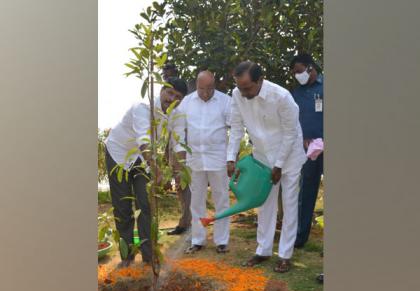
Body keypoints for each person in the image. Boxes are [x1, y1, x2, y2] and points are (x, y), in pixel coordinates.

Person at [227, 61, 307, 273]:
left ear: (260, 80)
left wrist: (279, 165)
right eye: (240, 87)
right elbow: (236, 127)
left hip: (289, 158)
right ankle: (262, 251)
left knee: (289, 206)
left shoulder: (281, 97)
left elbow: (291, 133)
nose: (243, 93)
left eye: (247, 88)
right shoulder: (237, 94)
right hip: (262, 158)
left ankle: (285, 255)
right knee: (264, 205)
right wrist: (230, 158)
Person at [104, 77, 189, 267]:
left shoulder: (178, 115)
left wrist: (181, 171)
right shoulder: (142, 106)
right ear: (161, 90)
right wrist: (157, 169)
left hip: (145, 160)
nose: (171, 99)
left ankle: (149, 256)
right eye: (169, 93)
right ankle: (127, 256)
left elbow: (179, 144)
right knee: (123, 207)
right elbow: (143, 139)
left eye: (177, 97)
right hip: (119, 153)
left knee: (147, 204)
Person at [176, 70, 232, 254]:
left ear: (214, 85)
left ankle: (221, 240)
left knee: (222, 198)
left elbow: (236, 128)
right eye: (202, 88)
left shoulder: (225, 101)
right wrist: (181, 155)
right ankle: (198, 239)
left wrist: (232, 156)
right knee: (196, 200)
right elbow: (178, 129)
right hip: (195, 160)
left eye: (210, 88)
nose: (206, 93)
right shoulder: (187, 102)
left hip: (218, 157)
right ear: (196, 85)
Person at [289, 53, 324, 249]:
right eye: (294, 73)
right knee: (306, 192)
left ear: (310, 67)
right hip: (309, 150)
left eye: (299, 71)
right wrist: (302, 139)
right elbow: (293, 121)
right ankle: (300, 237)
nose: (297, 75)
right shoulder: (296, 93)